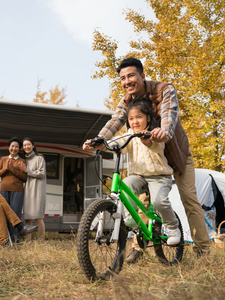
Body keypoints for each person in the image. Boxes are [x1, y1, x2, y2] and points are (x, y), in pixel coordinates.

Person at [89, 57, 211, 263]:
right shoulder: (127, 101)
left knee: (189, 200)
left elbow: (168, 115)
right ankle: (139, 247)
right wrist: (99, 139)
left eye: (131, 76)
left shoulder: (164, 90)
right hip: (148, 162)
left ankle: (203, 250)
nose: (127, 81)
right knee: (143, 202)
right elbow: (116, 120)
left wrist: (164, 132)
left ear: (142, 76)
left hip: (176, 155)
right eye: (122, 78)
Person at [84, 100, 181, 246]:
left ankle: (173, 227)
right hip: (139, 176)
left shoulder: (154, 133)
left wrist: (148, 142)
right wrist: (98, 145)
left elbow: (157, 147)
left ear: (148, 118)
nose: (135, 121)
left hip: (159, 176)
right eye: (131, 119)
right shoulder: (129, 134)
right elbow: (116, 142)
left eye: (139, 117)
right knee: (125, 186)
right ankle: (132, 219)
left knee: (159, 202)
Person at [0, 137, 28, 243]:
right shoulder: (3, 159)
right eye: (12, 146)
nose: (14, 148)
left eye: (16, 147)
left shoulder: (22, 161)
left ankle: (15, 239)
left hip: (17, 191)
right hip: (4, 190)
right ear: (9, 147)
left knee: (15, 214)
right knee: (4, 213)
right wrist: (6, 169)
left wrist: (13, 170)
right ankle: (4, 238)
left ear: (19, 149)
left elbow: (25, 178)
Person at [22, 138, 47, 241]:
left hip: (37, 190)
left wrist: (27, 171)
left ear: (33, 146)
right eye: (24, 145)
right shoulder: (23, 160)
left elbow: (41, 173)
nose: (26, 147)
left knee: (38, 217)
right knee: (27, 218)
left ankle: (41, 242)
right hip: (26, 191)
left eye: (28, 144)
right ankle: (28, 241)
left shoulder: (39, 158)